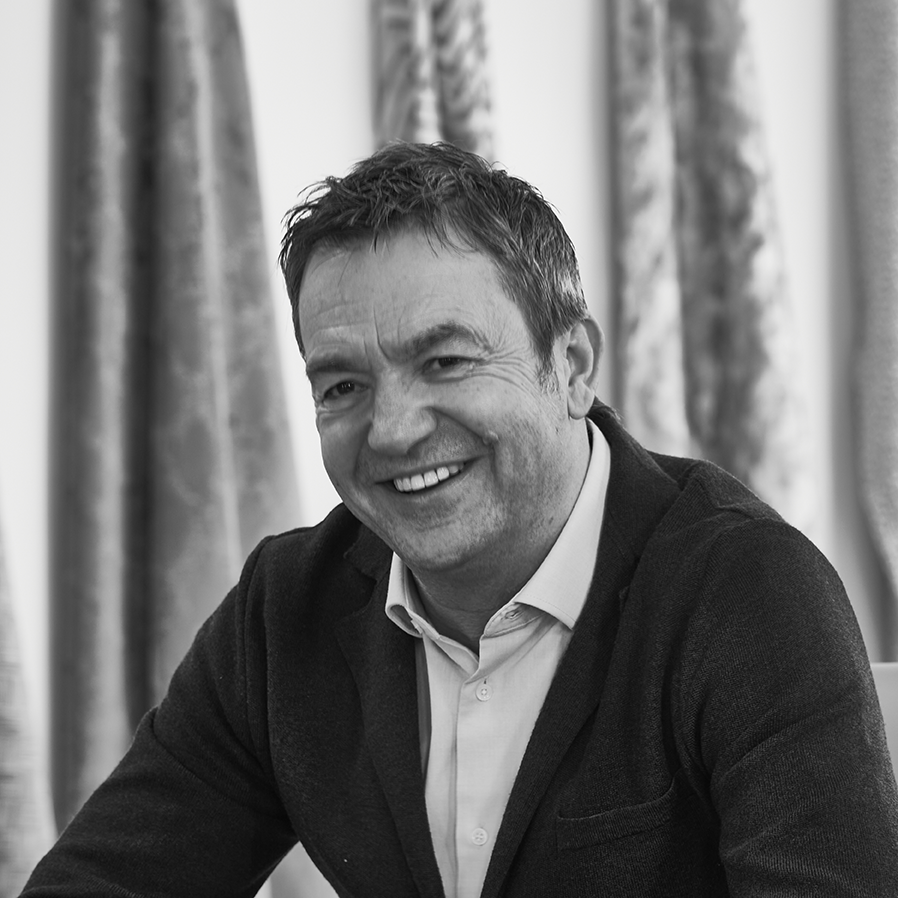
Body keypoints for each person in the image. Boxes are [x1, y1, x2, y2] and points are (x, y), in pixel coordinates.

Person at [22, 142, 898, 897]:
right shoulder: (282, 615)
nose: (392, 430)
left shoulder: (749, 594)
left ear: (571, 365)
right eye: (343, 386)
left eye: (444, 360)